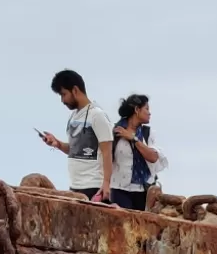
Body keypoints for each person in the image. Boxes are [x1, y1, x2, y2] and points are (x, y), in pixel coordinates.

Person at [38, 72, 113, 201]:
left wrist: (106, 183)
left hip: (94, 186)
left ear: (75, 90)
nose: (62, 100)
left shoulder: (97, 115)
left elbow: (107, 152)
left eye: (63, 94)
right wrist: (58, 144)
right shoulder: (73, 117)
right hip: (75, 185)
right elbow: (76, 149)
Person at [110, 94, 168, 210]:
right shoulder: (115, 131)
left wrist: (133, 139)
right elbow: (105, 157)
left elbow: (153, 157)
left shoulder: (148, 133)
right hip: (119, 189)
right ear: (137, 110)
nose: (149, 113)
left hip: (143, 190)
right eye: (146, 109)